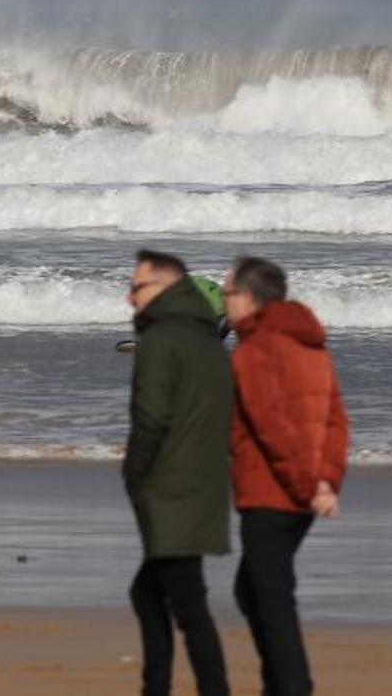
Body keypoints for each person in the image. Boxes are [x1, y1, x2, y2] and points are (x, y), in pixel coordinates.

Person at [223, 256, 350, 696]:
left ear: (250, 299)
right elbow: (336, 422)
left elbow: (272, 429)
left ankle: (293, 688)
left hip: (272, 495)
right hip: (303, 494)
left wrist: (305, 488)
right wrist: (326, 483)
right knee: (252, 591)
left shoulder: (254, 351)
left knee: (270, 599)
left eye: (227, 295)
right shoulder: (311, 344)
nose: (224, 304)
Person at [123, 249, 233, 696]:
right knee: (151, 594)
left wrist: (134, 474)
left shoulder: (162, 340)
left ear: (165, 287)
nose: (130, 298)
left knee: (188, 604)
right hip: (202, 485)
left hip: (170, 490)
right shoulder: (208, 339)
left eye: (137, 287)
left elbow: (150, 419)